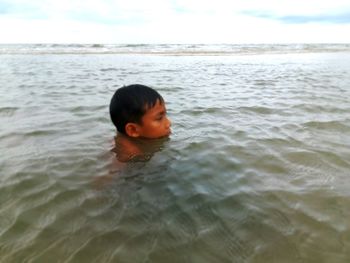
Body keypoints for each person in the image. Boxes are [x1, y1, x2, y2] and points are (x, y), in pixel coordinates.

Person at [109, 84, 172, 162]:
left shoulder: (118, 139)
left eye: (165, 115)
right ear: (133, 130)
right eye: (159, 118)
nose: (169, 123)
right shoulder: (130, 157)